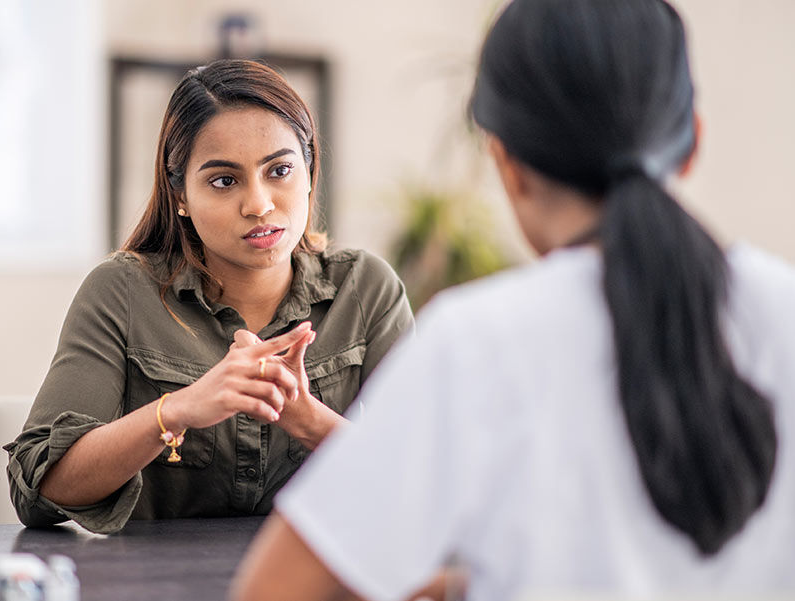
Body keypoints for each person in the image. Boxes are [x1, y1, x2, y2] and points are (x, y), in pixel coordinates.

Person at [230, 1, 795, 600]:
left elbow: (274, 591)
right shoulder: (782, 308)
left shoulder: (476, 342)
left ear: (506, 162)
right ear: (692, 142)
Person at [5, 59, 413, 534]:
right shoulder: (122, 292)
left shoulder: (365, 288)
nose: (259, 204)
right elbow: (40, 492)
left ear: (309, 171)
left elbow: (429, 483)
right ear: (180, 195)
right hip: (158, 574)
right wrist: (175, 411)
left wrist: (308, 420)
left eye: (280, 170)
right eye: (224, 180)